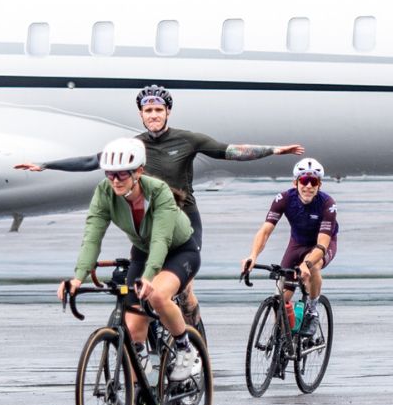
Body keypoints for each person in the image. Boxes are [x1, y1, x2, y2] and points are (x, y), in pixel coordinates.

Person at [19, 84, 304, 328]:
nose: (153, 115)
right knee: (142, 282)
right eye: (148, 111)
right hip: (147, 224)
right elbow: (91, 161)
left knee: (182, 290)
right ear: (141, 114)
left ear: (167, 112)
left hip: (184, 221)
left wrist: (274, 150)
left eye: (158, 110)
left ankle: (193, 341)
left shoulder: (187, 140)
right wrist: (45, 165)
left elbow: (229, 151)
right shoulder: (132, 147)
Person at [55, 137, 203, 380]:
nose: (114, 181)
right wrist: (78, 278)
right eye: (109, 174)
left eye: (121, 175)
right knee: (133, 332)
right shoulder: (104, 193)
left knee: (155, 294)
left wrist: (147, 278)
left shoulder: (158, 192)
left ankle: (185, 348)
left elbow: (160, 241)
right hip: (143, 254)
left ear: (138, 172)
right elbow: (92, 236)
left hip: (179, 251)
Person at [240, 158, 337, 336]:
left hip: (322, 244)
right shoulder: (283, 199)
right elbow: (265, 231)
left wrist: (306, 264)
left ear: (319, 185)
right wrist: (252, 256)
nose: (308, 186)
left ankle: (312, 309)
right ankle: (283, 341)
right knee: (280, 299)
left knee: (313, 266)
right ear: (295, 183)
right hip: (297, 244)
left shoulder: (327, 204)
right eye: (303, 181)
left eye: (313, 182)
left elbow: (322, 244)